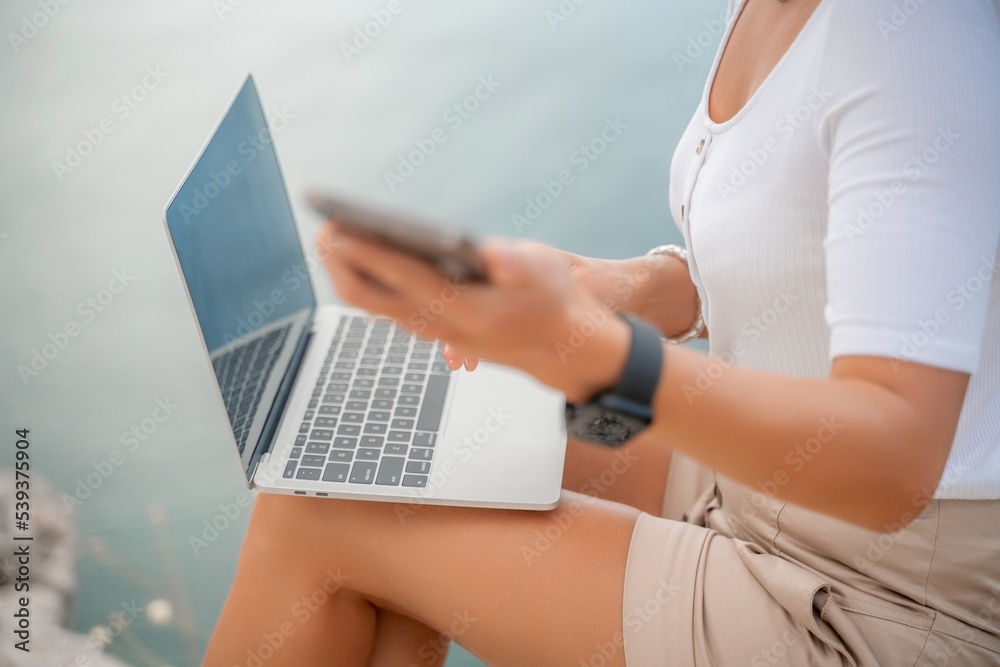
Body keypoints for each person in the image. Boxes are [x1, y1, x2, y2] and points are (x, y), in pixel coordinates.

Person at [205, 0, 1000, 664]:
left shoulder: (913, 43)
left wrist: (591, 354)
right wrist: (634, 289)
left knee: (316, 516)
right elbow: (806, 251)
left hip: (885, 588)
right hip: (762, 481)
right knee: (397, 465)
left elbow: (893, 459)